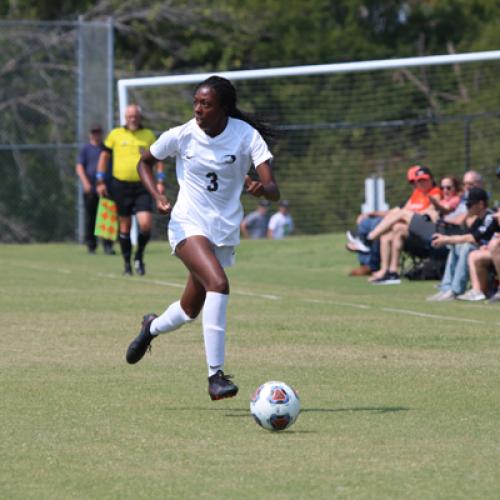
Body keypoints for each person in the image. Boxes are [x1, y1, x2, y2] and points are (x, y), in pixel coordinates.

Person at [124, 76, 280, 401]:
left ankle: (150, 328)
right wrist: (157, 196)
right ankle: (215, 377)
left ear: (224, 108)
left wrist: (260, 189)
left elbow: (274, 190)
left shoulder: (245, 136)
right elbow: (145, 163)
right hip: (186, 224)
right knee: (218, 285)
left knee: (189, 310)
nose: (198, 109)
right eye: (196, 102)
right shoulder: (182, 135)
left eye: (206, 104)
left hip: (222, 231)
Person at [96, 105, 165, 276]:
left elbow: (158, 159)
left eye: (135, 115)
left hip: (143, 186)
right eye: (129, 116)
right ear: (125, 118)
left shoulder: (148, 135)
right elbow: (104, 157)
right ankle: (127, 264)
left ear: (140, 117)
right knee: (125, 226)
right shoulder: (116, 134)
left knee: (145, 224)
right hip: (120, 185)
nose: (132, 118)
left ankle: (139, 256)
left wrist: (160, 180)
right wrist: (100, 180)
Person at [354, 166, 441, 284]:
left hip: (425, 235)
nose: (421, 183)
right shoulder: (417, 194)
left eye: (424, 180)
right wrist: (373, 213)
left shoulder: (435, 194)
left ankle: (368, 239)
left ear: (431, 179)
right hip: (407, 231)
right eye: (418, 181)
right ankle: (388, 271)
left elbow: (428, 214)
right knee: (390, 233)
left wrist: (406, 216)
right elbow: (397, 212)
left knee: (400, 219)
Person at [346, 165, 420, 276]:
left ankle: (368, 252)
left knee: (379, 226)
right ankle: (365, 258)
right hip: (397, 222)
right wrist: (372, 213)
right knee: (365, 222)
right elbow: (395, 211)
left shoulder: (431, 196)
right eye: (412, 182)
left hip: (408, 229)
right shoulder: (414, 197)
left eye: (418, 181)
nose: (415, 184)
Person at [427, 187, 497, 301]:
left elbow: (472, 238)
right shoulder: (478, 219)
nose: (467, 207)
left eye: (470, 205)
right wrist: (447, 239)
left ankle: (456, 290)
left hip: (491, 252)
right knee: (457, 246)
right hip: (482, 251)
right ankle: (446, 288)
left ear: (481, 204)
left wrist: (446, 239)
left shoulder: (489, 217)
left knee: (466, 247)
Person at [75, 125, 115, 255]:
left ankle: (108, 245)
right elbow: (80, 167)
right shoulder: (85, 149)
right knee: (91, 217)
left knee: (108, 216)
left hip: (106, 186)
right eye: (94, 132)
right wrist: (85, 183)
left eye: (98, 132)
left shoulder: (106, 148)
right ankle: (91, 245)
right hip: (91, 187)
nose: (96, 135)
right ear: (90, 134)